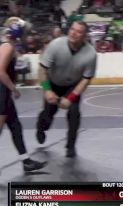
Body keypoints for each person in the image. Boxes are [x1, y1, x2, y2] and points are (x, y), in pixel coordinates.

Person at [36, 21, 97, 158]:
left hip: (72, 86)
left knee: (74, 113)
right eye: (72, 29)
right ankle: (41, 128)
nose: (73, 33)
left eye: (79, 31)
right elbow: (42, 69)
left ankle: (70, 146)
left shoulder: (91, 54)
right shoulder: (56, 45)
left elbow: (86, 79)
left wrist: (70, 98)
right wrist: (47, 90)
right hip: (53, 83)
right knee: (49, 112)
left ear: (84, 36)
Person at [0, 17, 46, 172]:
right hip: (2, 93)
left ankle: (25, 161)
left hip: (4, 93)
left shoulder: (7, 45)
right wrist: (14, 88)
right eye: (24, 32)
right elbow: (0, 71)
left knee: (16, 127)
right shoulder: (7, 46)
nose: (26, 36)